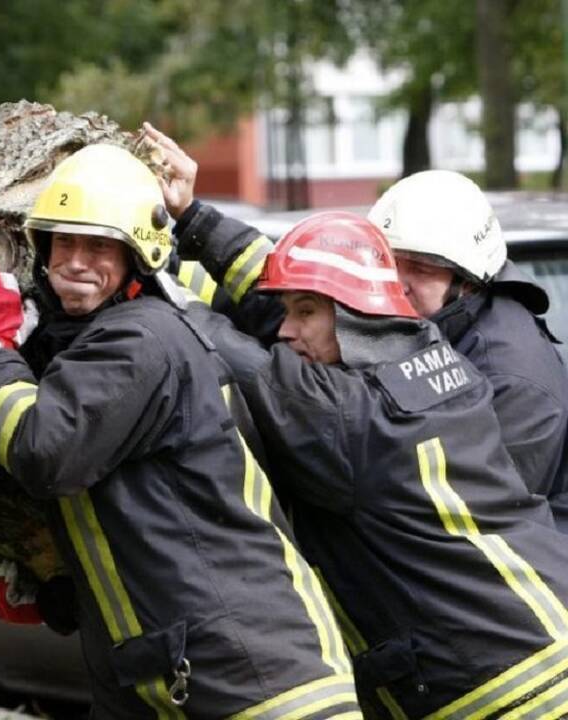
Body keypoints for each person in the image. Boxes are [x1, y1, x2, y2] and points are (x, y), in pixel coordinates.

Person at [0, 144, 361, 719]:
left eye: (98, 246)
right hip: (191, 679)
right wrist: (57, 590)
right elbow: (144, 522)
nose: (76, 261)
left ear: (140, 254)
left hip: (256, 683)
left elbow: (44, 450)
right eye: (63, 242)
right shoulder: (106, 342)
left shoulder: (140, 342)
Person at [170, 208, 568, 718]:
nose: (286, 331)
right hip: (542, 630)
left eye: (306, 312)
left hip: (500, 686)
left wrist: (163, 294)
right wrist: (196, 219)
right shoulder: (441, 364)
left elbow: (248, 366)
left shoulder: (349, 416)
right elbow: (302, 335)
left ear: (357, 317)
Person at [368, 171, 568, 531]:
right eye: (388, 262)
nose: (398, 283)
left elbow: (477, 520)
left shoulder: (512, 379)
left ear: (468, 280)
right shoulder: (423, 330)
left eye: (420, 268)